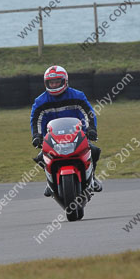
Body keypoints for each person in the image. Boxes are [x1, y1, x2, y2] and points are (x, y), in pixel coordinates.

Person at [31, 65, 102, 196]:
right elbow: (36, 120)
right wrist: (37, 136)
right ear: (46, 83)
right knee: (41, 157)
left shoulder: (78, 96)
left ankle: (92, 178)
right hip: (52, 140)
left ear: (65, 81)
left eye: (57, 82)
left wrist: (91, 129)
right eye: (51, 82)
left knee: (94, 151)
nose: (54, 85)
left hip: (76, 136)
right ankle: (50, 182)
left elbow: (88, 114)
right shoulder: (40, 101)